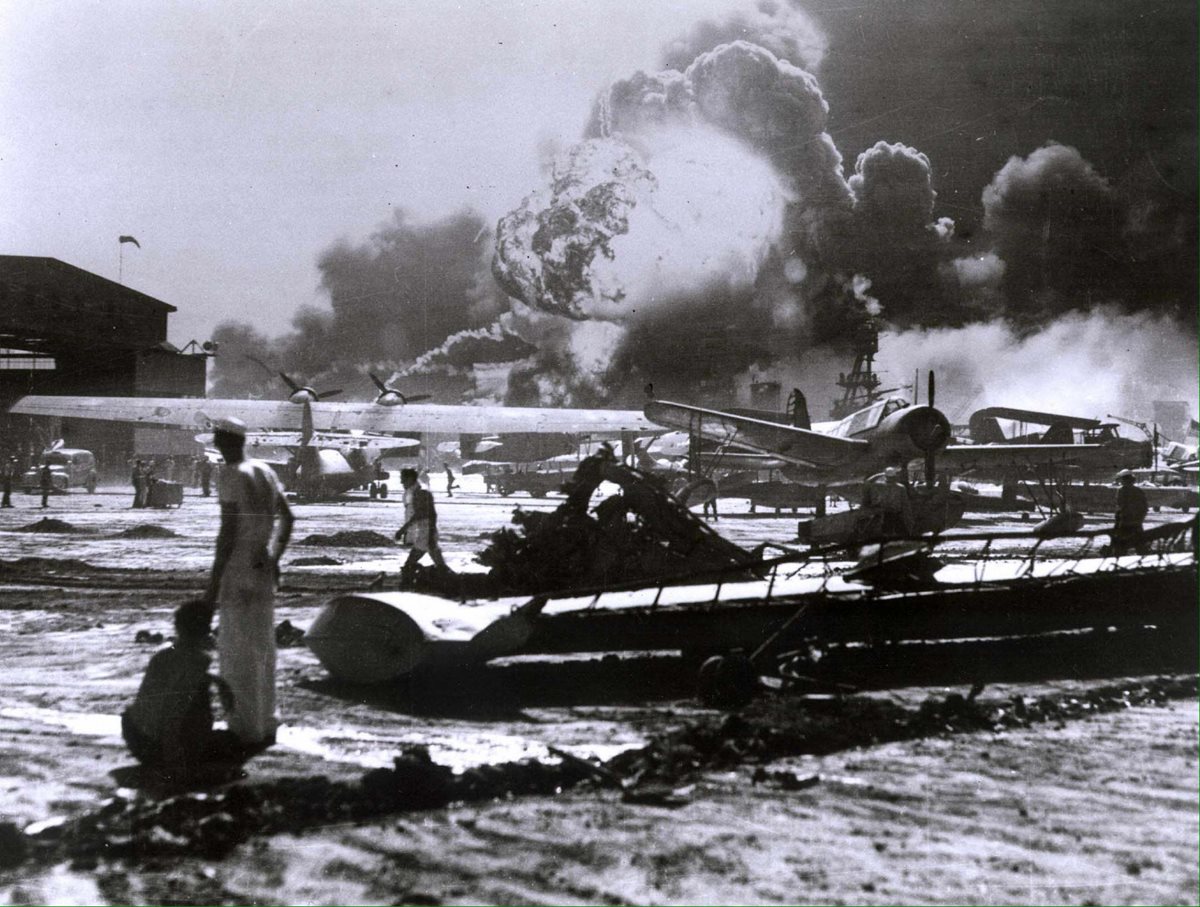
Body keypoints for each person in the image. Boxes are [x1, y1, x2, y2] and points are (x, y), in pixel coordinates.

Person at [204, 416, 294, 750]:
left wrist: (213, 582)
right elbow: (288, 517)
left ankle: (243, 726)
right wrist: (274, 557)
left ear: (224, 441)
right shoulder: (266, 472)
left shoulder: (229, 475)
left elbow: (227, 534)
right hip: (262, 567)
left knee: (237, 648)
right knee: (262, 647)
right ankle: (267, 721)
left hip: (238, 567)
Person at [122, 600, 240, 774]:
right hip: (159, 748)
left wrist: (216, 680)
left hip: (136, 736)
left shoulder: (162, 656)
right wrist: (174, 761)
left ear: (177, 627)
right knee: (231, 743)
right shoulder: (198, 661)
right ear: (206, 632)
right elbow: (174, 709)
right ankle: (185, 753)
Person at [395, 467, 447, 585]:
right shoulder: (414, 493)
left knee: (410, 563)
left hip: (426, 532)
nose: (401, 482)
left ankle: (406, 586)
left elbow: (424, 514)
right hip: (425, 532)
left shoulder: (421, 493)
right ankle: (452, 583)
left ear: (410, 479)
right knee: (439, 564)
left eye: (403, 479)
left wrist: (403, 530)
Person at [861, 466, 914, 538]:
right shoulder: (901, 487)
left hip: (887, 515)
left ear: (886, 477)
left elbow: (867, 482)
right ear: (895, 476)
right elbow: (905, 504)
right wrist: (908, 517)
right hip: (897, 514)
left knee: (887, 534)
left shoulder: (881, 487)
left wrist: (880, 474)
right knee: (903, 534)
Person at [1113, 469, 1148, 554]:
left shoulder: (1121, 490)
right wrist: (1140, 518)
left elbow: (1120, 505)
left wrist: (1118, 520)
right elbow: (1144, 507)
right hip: (1136, 521)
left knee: (1121, 545)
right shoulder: (1139, 491)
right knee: (1140, 544)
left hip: (1125, 521)